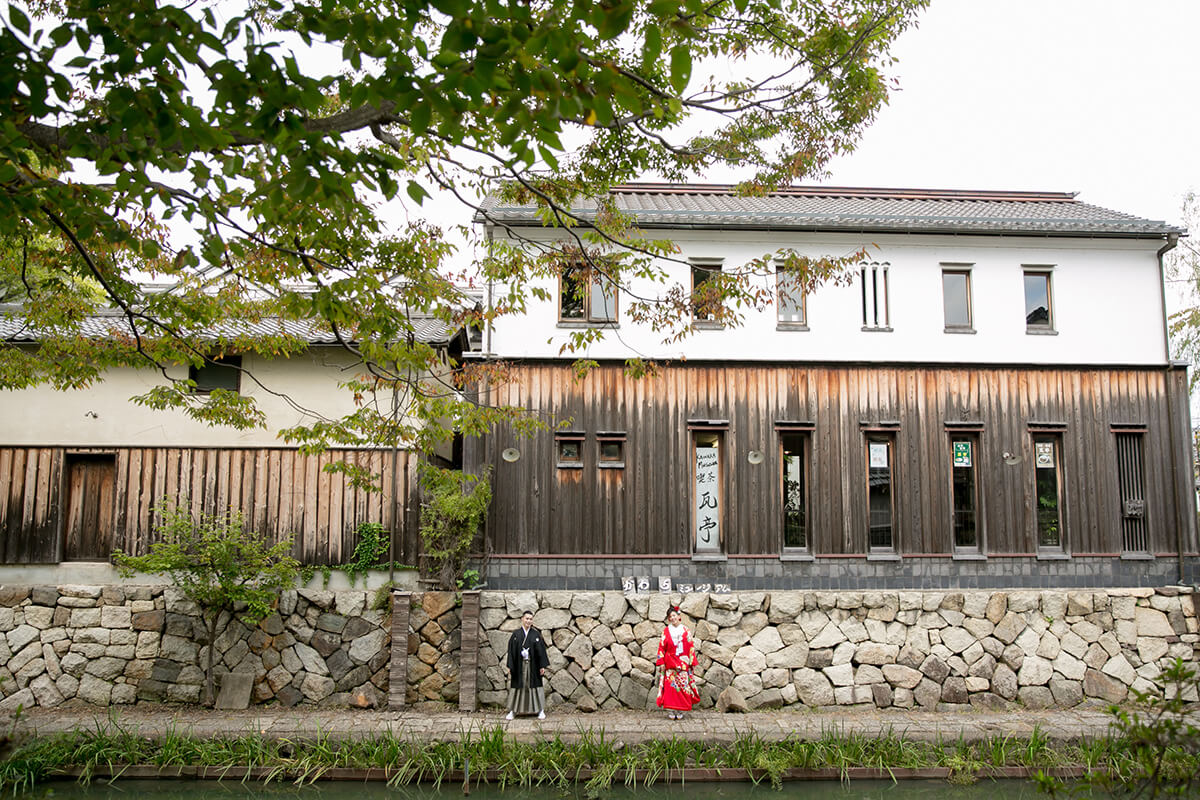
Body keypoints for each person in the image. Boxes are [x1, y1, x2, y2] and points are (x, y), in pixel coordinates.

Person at [655, 605, 700, 720]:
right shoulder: (666, 631)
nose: (673, 618)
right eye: (670, 616)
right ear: (669, 619)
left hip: (683, 663)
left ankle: (680, 711)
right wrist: (661, 662)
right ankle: (671, 710)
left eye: (674, 615)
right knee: (671, 689)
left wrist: (691, 661)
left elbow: (690, 646)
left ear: (679, 616)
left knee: (683, 687)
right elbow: (662, 647)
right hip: (670, 663)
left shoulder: (686, 630)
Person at [505, 610, 549, 720]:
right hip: (519, 665)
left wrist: (542, 666)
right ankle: (513, 710)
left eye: (530, 619)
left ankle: (540, 709)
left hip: (533, 665)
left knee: (535, 685)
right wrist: (510, 666)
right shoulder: (516, 634)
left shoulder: (535, 634)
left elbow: (541, 651)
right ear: (522, 619)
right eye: (527, 618)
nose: (528, 621)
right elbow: (511, 651)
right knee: (517, 685)